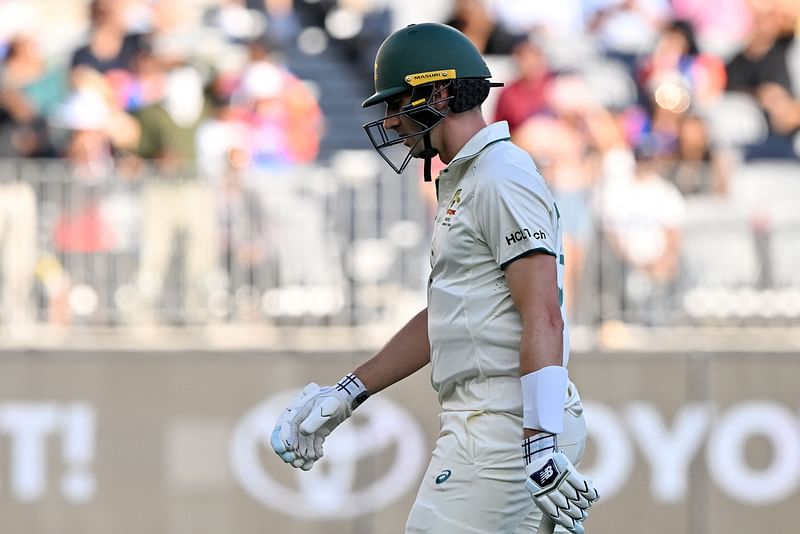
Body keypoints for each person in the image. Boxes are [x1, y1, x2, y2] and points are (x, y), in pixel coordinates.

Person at [271, 22, 598, 533]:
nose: (393, 122)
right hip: (490, 424)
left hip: (504, 428)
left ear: (439, 92)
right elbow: (450, 313)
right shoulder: (471, 178)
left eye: (398, 103)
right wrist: (348, 392)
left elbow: (545, 316)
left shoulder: (499, 177)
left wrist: (540, 445)